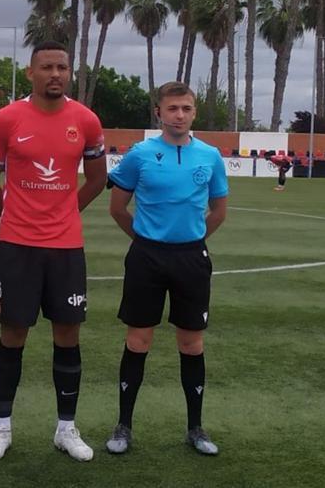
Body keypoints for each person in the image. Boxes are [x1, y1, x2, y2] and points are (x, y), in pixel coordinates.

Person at [0, 40, 107, 463]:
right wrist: (13, 217)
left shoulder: (85, 120)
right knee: (13, 333)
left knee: (67, 334)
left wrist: (65, 210)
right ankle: (1, 427)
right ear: (30, 72)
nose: (55, 73)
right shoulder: (8, 117)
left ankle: (66, 428)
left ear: (70, 73)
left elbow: (97, 178)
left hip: (66, 248)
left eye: (62, 67)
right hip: (18, 246)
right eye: (47, 67)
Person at [104, 81, 228, 456]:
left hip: (191, 258)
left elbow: (219, 210)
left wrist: (190, 240)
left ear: (194, 112)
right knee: (138, 340)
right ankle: (124, 426)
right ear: (159, 112)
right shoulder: (140, 155)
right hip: (146, 258)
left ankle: (196, 428)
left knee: (191, 343)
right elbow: (117, 208)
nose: (179, 115)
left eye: (186, 108)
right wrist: (146, 239)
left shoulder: (210, 156)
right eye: (172, 108)